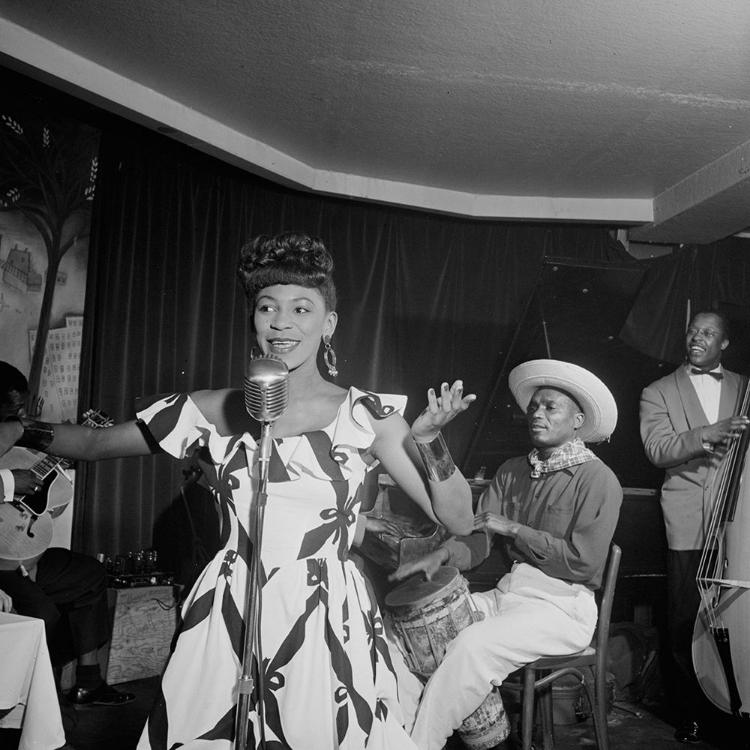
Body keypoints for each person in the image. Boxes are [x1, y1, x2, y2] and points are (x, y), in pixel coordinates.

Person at [0, 232, 476, 750]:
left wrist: (428, 441)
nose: (281, 321)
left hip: (322, 609)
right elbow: (94, 444)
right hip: (231, 602)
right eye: (267, 306)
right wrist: (20, 428)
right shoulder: (212, 409)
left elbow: (458, 520)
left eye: (301, 308)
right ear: (253, 320)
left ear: (329, 323)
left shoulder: (366, 416)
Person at [390, 359, 623, 750]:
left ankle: (418, 746)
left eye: (551, 407)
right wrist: (442, 555)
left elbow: (584, 562)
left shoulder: (598, 478)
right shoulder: (513, 470)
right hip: (509, 596)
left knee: (471, 645)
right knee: (414, 636)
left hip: (563, 609)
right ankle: (394, 737)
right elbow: (480, 538)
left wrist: (516, 529)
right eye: (534, 406)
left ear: (578, 420)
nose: (537, 414)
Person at [640, 310, 749, 745]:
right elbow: (658, 448)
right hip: (688, 519)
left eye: (708, 333)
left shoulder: (744, 387)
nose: (697, 338)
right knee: (686, 619)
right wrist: (709, 433)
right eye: (692, 331)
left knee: (738, 614)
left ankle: (735, 703)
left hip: (739, 521)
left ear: (724, 343)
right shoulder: (658, 391)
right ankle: (691, 712)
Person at [0, 361, 135, 710]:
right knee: (43, 617)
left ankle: (89, 683)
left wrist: (44, 496)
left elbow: (53, 503)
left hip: (25, 553)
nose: (20, 416)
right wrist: (10, 483)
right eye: (12, 410)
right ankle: (26, 705)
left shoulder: (15, 437)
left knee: (89, 575)